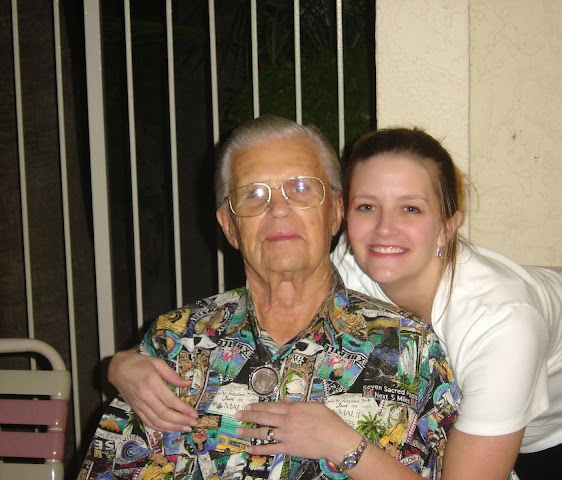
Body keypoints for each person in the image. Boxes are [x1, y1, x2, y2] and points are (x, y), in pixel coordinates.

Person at [110, 126, 562, 479]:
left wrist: (339, 441)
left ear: (448, 225)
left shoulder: (501, 324)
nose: (384, 230)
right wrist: (122, 363)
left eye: (410, 208)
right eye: (368, 206)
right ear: (344, 214)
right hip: (520, 415)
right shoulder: (348, 261)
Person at [78, 116, 462, 480]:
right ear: (230, 226)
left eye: (301, 188)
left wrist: (350, 449)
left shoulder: (410, 348)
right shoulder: (174, 341)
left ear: (335, 212)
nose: (278, 209)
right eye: (253, 194)